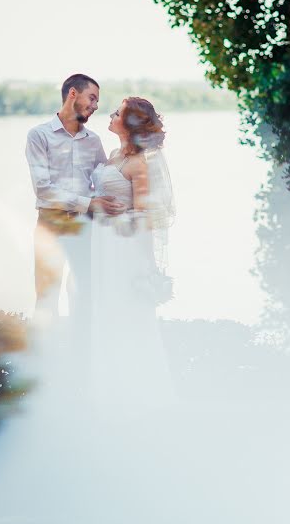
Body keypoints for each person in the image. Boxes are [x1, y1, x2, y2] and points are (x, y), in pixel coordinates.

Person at [25, 73, 123, 396]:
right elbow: (43, 189)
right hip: (51, 224)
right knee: (46, 297)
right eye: (92, 98)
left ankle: (82, 371)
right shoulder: (38, 136)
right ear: (72, 94)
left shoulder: (94, 142)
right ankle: (43, 372)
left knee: (84, 296)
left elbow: (103, 179)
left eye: (96, 101)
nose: (96, 106)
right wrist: (88, 202)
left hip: (86, 228)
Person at [90, 97, 175, 414]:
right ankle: (111, 392)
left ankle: (140, 397)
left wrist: (147, 270)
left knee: (128, 316)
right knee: (107, 314)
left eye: (117, 112)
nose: (110, 115)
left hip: (124, 250)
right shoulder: (114, 155)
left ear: (128, 123)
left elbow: (145, 219)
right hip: (104, 244)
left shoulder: (140, 163)